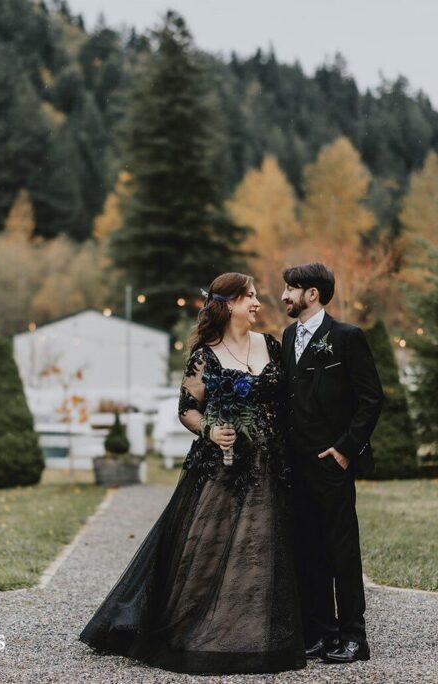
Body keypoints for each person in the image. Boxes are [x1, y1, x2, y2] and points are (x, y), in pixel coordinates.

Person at [79, 272, 306, 675]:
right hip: (221, 466)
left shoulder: (270, 344)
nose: (257, 303)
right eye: (249, 296)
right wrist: (210, 429)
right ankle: (197, 625)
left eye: (255, 296)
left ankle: (259, 628)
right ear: (228, 305)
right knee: (210, 544)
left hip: (270, 462)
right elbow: (187, 409)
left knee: (262, 542)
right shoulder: (205, 355)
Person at [279, 262, 384, 664]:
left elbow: (371, 398)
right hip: (296, 465)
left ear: (312, 294)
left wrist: (344, 450)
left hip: (332, 464)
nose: (284, 296)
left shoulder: (347, 337)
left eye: (291, 288)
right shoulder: (288, 336)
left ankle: (354, 637)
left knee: (342, 551)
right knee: (308, 549)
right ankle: (322, 633)